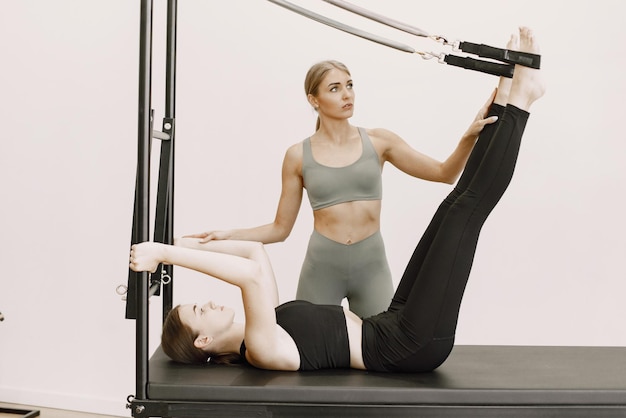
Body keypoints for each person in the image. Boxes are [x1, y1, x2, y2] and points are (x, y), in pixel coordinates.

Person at [130, 27, 545, 372]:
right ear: (204, 340)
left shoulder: (267, 322)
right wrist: (163, 255)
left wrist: (182, 244)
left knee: (452, 207)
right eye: (201, 310)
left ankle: (507, 100)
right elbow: (249, 276)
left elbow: (255, 253)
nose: (209, 302)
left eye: (349, 85)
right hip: (408, 345)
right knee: (466, 212)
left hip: (390, 322)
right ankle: (522, 102)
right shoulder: (260, 347)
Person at [184, 58, 500, 318]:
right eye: (335, 89)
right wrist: (227, 234)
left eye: (349, 85)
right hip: (322, 267)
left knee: (384, 354)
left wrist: (469, 136)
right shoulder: (297, 156)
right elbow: (280, 229)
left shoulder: (379, 142)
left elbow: (444, 173)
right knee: (308, 356)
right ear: (314, 100)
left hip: (371, 266)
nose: (347, 95)